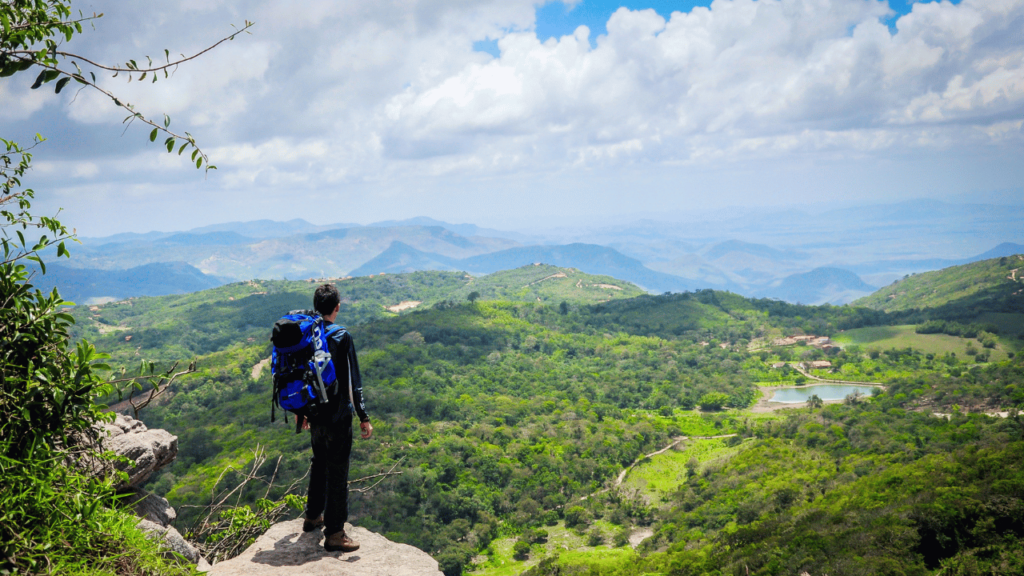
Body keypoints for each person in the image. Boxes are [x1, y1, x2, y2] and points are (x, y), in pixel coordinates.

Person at [301, 283, 373, 552]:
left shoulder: (308, 334)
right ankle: (334, 533)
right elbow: (354, 382)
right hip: (339, 415)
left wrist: (302, 412)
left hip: (315, 414)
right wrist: (364, 417)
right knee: (338, 470)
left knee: (319, 463)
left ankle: (312, 517)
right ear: (337, 308)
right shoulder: (342, 337)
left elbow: (301, 378)